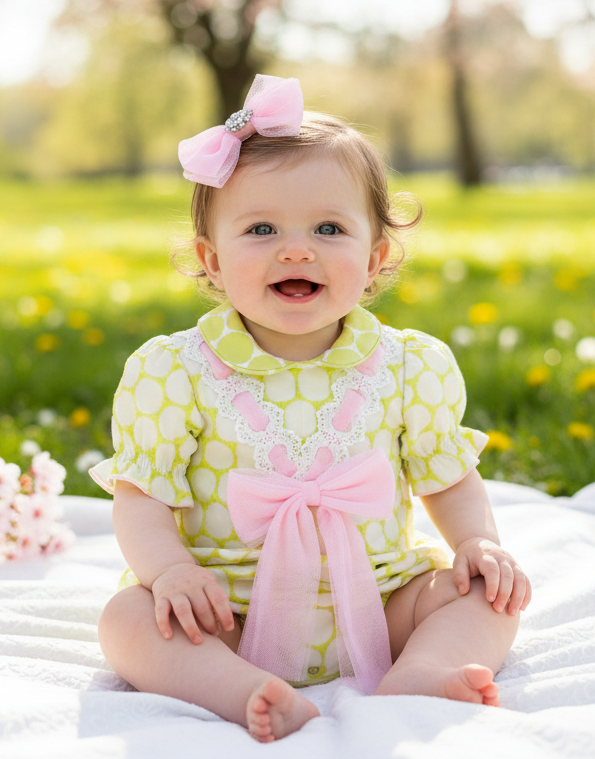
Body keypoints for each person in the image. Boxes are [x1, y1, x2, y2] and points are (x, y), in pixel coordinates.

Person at [90, 74, 531, 744]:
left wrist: (476, 542)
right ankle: (238, 688)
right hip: (226, 608)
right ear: (211, 260)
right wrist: (172, 571)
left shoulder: (410, 365)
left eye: (329, 227)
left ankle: (425, 669)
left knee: (489, 597)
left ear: (376, 256)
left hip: (383, 602)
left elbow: (447, 474)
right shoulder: (173, 371)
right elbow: (142, 496)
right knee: (127, 618)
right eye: (260, 228)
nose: (296, 249)